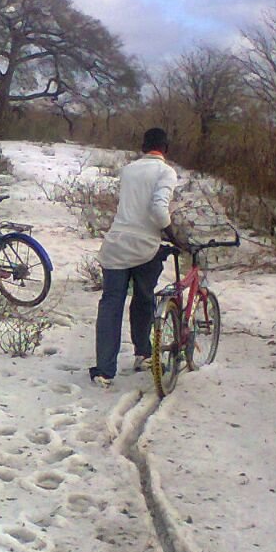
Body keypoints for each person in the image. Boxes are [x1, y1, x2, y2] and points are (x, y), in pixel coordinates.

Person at [89, 127, 179, 387]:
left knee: (110, 304)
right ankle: (143, 352)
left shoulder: (128, 169)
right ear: (166, 148)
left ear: (143, 147)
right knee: (143, 299)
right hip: (144, 246)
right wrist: (171, 233)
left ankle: (104, 370)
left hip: (116, 243)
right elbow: (158, 210)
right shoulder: (166, 172)